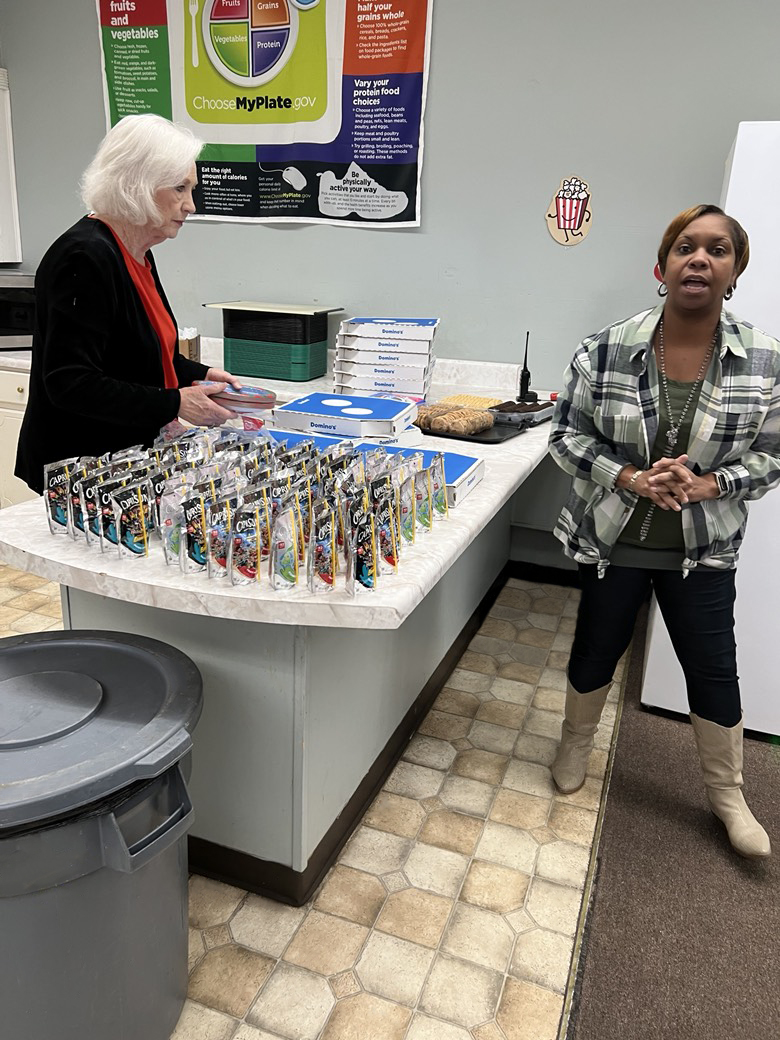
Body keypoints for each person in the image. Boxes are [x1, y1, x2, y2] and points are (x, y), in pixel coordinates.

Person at [548, 204, 780, 860]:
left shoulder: (764, 360)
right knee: (596, 651)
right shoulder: (606, 348)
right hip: (613, 540)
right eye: (685, 247)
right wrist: (630, 479)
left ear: (734, 271)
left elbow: (774, 452)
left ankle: (728, 794)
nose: (699, 258)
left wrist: (710, 484)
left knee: (713, 669)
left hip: (703, 547)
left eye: (717, 249)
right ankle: (574, 746)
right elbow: (566, 436)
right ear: (664, 266)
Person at [15, 114, 240, 494]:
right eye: (180, 189)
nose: (191, 206)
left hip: (122, 465)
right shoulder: (84, 257)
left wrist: (198, 375)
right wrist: (174, 404)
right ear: (139, 185)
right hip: (79, 472)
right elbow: (70, 383)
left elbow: (136, 355)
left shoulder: (135, 252)